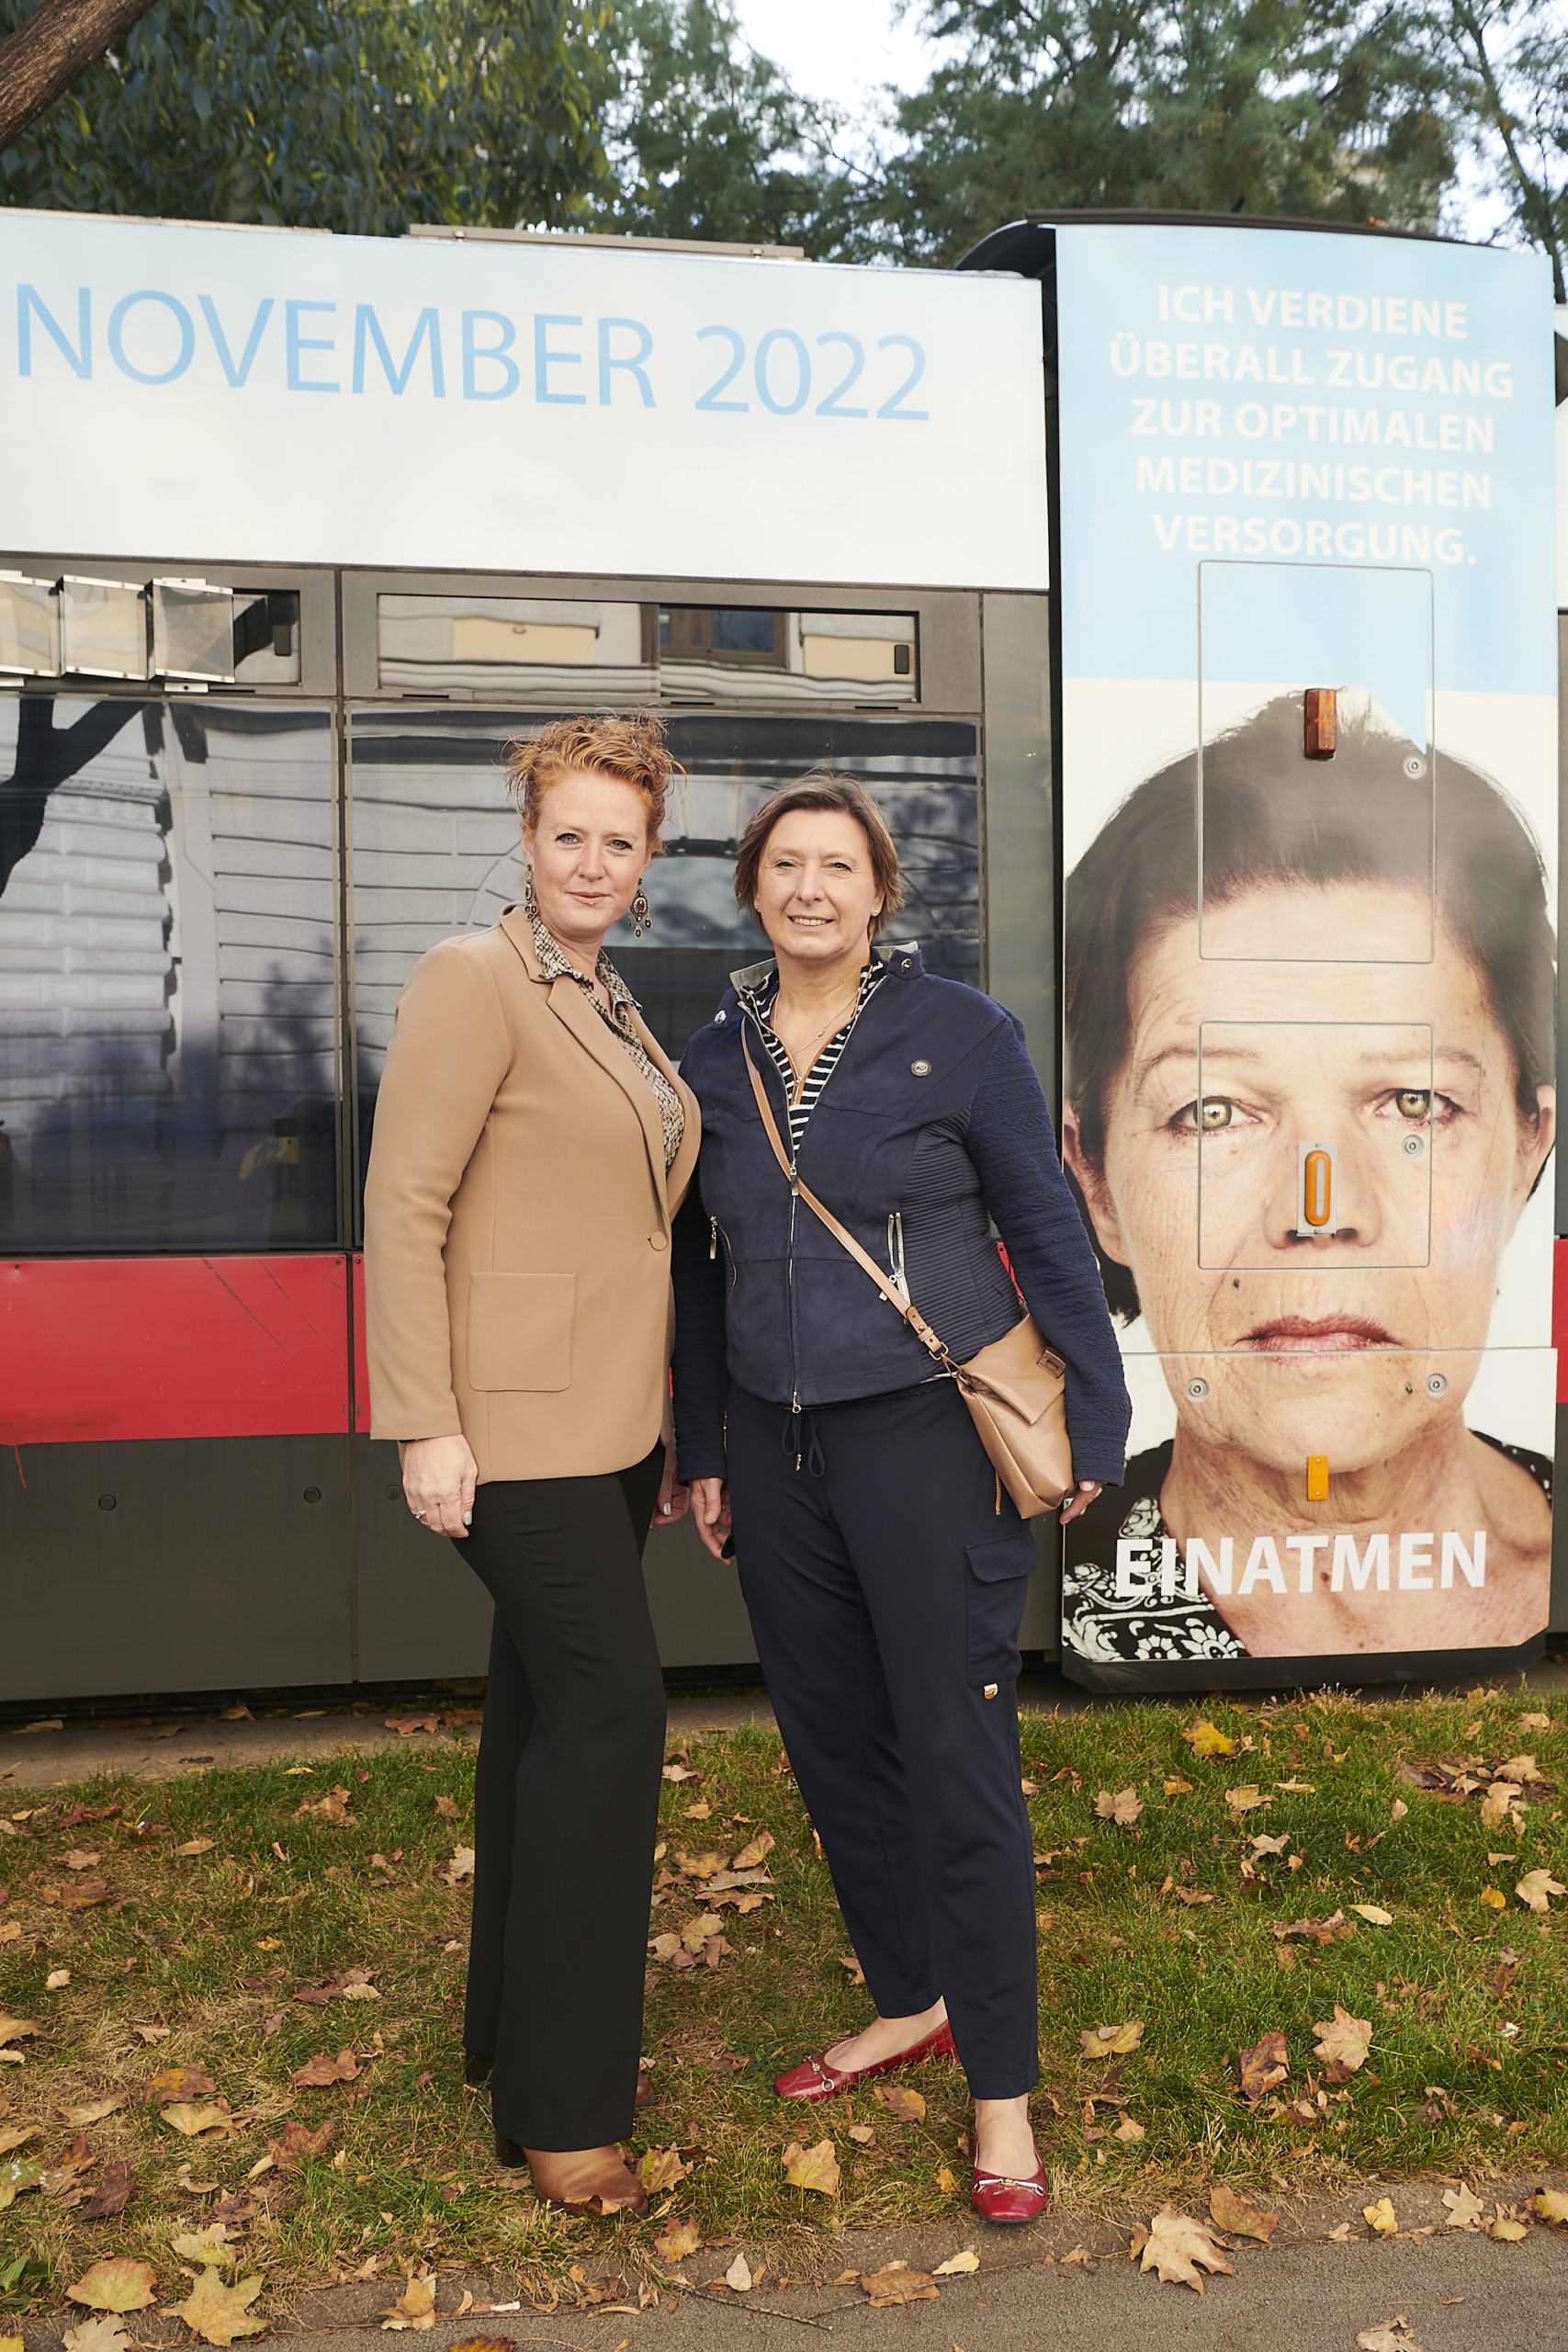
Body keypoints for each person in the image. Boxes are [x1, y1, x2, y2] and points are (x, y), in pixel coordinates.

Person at [671, 772, 1129, 2224]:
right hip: (772, 1447)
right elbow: (702, 1272)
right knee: (830, 1743)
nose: (809, 889)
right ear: (753, 887)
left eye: (837, 867)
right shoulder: (708, 1052)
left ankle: (1000, 2093)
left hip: (929, 1438)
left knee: (955, 1754)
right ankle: (906, 1998)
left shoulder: (961, 1036)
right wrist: (703, 1448)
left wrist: (1099, 1422)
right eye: (784, 866)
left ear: (878, 893)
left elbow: (1043, 1230)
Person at [363, 713, 699, 2214]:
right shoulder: (473, 979)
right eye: (568, 832)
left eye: (617, 841)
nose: (590, 861)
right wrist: (425, 1419)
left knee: (541, 1718)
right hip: (505, 1432)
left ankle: (505, 2034)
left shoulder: (610, 1001)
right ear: (527, 836)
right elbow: (406, 1203)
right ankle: (566, 2112)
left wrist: (681, 1434)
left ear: (644, 863)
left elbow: (635, 1229)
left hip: (609, 1429)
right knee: (615, 1720)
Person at [1059, 697, 1555, 1677]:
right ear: (1098, 1181)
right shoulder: (1052, 1583)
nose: (1319, 1211)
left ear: (1529, 1149)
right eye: (1212, 1112)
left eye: (1415, 1103)